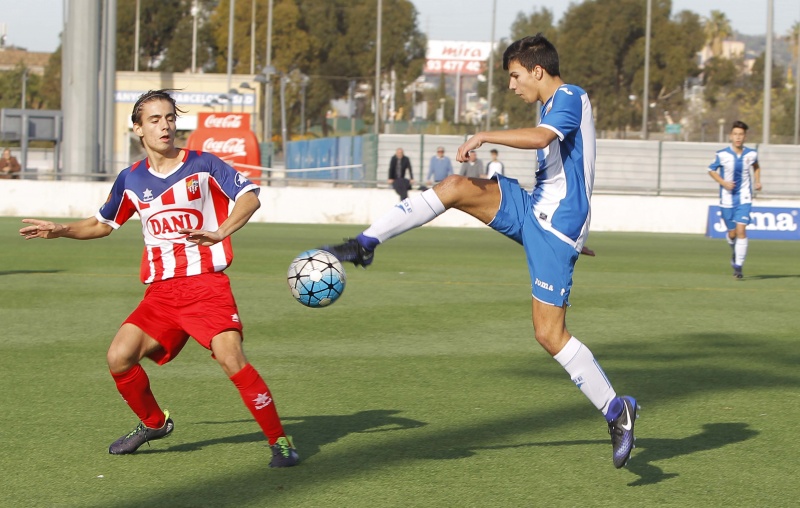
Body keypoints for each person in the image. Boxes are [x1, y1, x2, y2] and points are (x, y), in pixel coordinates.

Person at [323, 34, 638, 469]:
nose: (512, 85)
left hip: (553, 230)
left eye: (514, 76)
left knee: (549, 334)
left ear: (537, 70)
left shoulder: (569, 96)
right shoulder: (550, 103)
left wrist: (487, 134)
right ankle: (365, 243)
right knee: (455, 186)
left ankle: (616, 411)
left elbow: (542, 138)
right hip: (534, 211)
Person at [19, 89, 299, 468]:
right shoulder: (130, 179)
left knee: (232, 359)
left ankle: (280, 441)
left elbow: (250, 197)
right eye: (154, 119)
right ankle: (154, 424)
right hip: (162, 294)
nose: (165, 125)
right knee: (118, 357)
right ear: (138, 128)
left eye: (169, 117)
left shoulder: (204, 163)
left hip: (206, 286)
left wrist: (220, 232)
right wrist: (60, 230)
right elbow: (102, 224)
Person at [707, 120, 762, 279]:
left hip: (744, 197)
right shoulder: (722, 154)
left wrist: (757, 181)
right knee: (732, 234)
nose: (738, 137)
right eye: (735, 134)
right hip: (727, 199)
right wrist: (723, 182)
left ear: (745, 137)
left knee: (741, 231)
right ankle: (734, 252)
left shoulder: (751, 154)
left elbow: (756, 166)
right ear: (731, 136)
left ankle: (738, 267)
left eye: (741, 134)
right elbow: (711, 170)